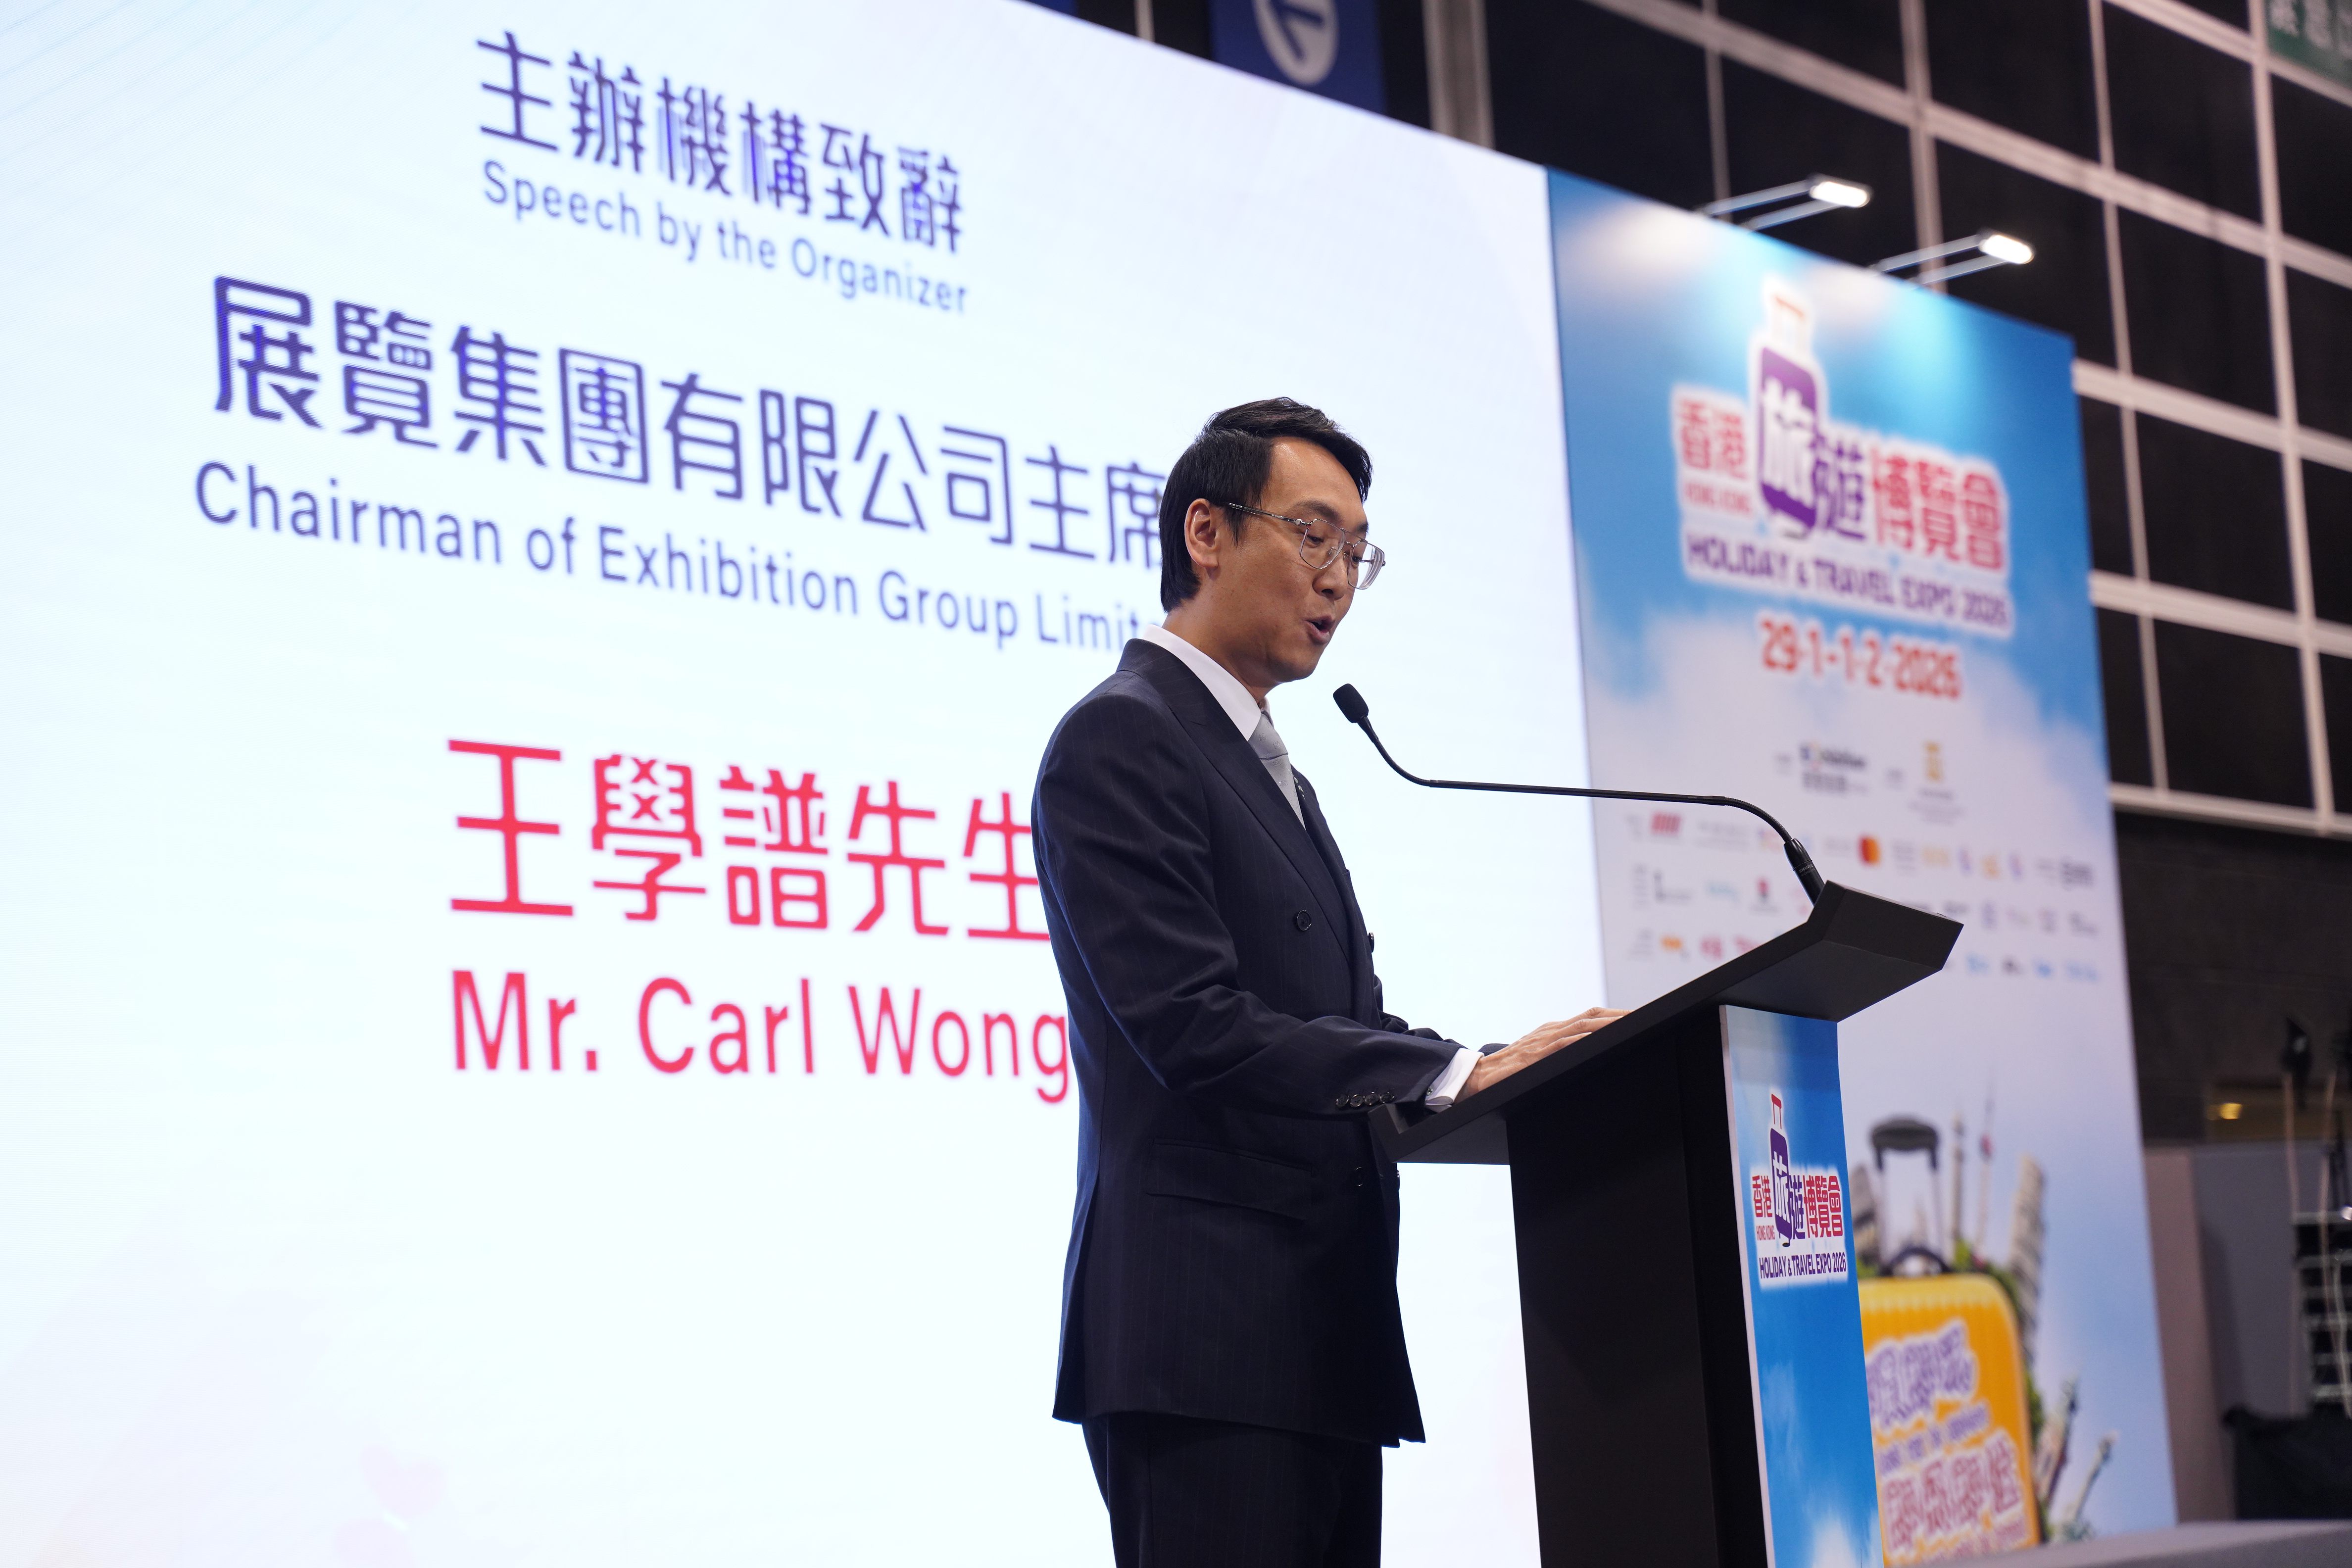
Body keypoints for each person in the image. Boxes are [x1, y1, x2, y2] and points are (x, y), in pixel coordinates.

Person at [1031, 398, 1624, 1568]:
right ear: (1207, 533)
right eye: (1312, 535)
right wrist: (1452, 1073)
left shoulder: (1273, 772)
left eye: (1358, 552)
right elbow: (1190, 1027)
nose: (1339, 580)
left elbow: (1339, 1025)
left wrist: (1501, 1065)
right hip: (1207, 1346)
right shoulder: (1123, 737)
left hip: (1316, 1332)